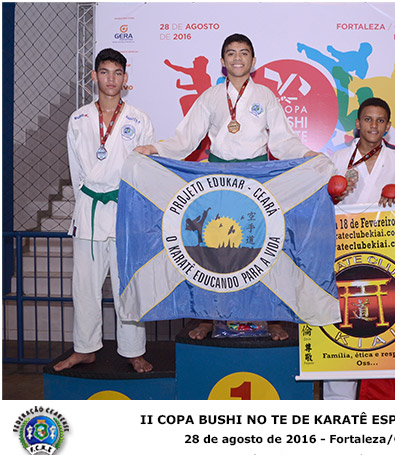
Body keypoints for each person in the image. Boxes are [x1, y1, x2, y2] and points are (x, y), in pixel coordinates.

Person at [135, 33, 335, 341]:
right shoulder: (211, 96)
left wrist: (307, 154)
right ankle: (208, 317)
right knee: (214, 250)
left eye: (243, 53)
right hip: (218, 181)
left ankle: (270, 317)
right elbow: (186, 139)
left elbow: (282, 141)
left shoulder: (265, 96)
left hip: (258, 181)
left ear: (253, 61)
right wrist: (156, 149)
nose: (237, 58)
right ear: (222, 61)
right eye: (231, 53)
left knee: (262, 249)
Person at [54, 49, 154, 373]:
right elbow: (76, 172)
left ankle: (133, 350)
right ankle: (84, 348)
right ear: (94, 76)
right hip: (91, 210)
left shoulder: (139, 119)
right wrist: (84, 204)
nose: (111, 79)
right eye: (105, 72)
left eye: (117, 72)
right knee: (85, 286)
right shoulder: (79, 119)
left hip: (126, 211)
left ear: (125, 78)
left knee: (129, 285)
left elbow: (145, 171)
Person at [323, 97, 395, 400]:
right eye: (368, 119)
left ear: (388, 126)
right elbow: (315, 203)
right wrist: (333, 196)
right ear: (357, 123)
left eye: (380, 120)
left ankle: (379, 402)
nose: (374, 125)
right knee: (345, 325)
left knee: (381, 327)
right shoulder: (338, 158)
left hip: (384, 255)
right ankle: (338, 402)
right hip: (344, 254)